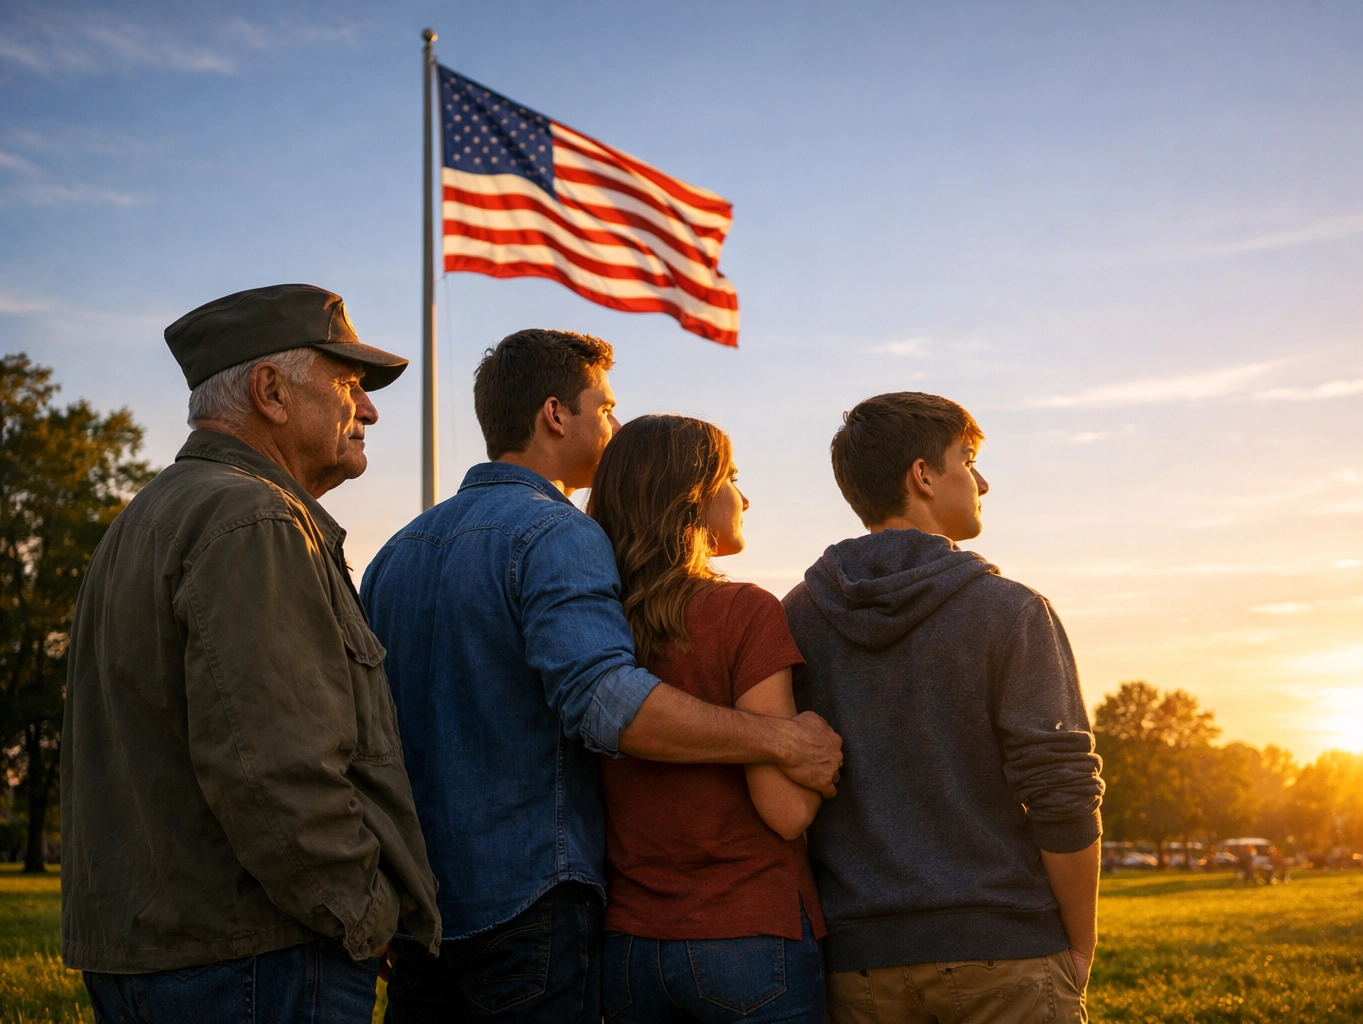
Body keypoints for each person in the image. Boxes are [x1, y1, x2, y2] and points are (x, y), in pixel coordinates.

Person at [360, 330, 842, 1023]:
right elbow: (606, 702)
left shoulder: (396, 552)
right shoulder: (555, 533)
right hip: (530, 906)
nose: (615, 428)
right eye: (606, 408)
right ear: (556, 415)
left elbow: (372, 735)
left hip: (422, 913)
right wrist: (782, 740)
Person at [62, 284, 441, 1023]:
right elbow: (279, 767)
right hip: (253, 962)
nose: (366, 410)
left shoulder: (150, 514)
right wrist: (364, 920)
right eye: (348, 385)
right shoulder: (253, 516)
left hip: (163, 957)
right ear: (270, 390)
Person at [783, 391, 1105, 1024]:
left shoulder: (795, 616)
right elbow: (1062, 791)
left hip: (858, 969)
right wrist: (1081, 943)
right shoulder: (1010, 610)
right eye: (968, 459)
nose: (983, 480)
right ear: (923, 476)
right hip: (1005, 957)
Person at [587, 415, 828, 1024]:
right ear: (693, 498)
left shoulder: (594, 629)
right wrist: (816, 742)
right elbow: (786, 811)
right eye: (732, 479)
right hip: (748, 934)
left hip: (629, 949)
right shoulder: (742, 611)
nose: (744, 498)